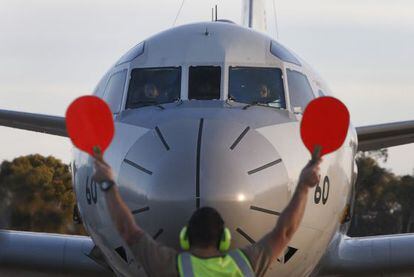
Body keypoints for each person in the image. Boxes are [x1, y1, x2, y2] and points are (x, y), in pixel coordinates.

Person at [92, 149, 321, 277]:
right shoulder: (243, 265)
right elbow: (285, 232)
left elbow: (128, 231)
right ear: (224, 239)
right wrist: (303, 186)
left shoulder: (171, 268)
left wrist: (108, 185)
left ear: (185, 237)